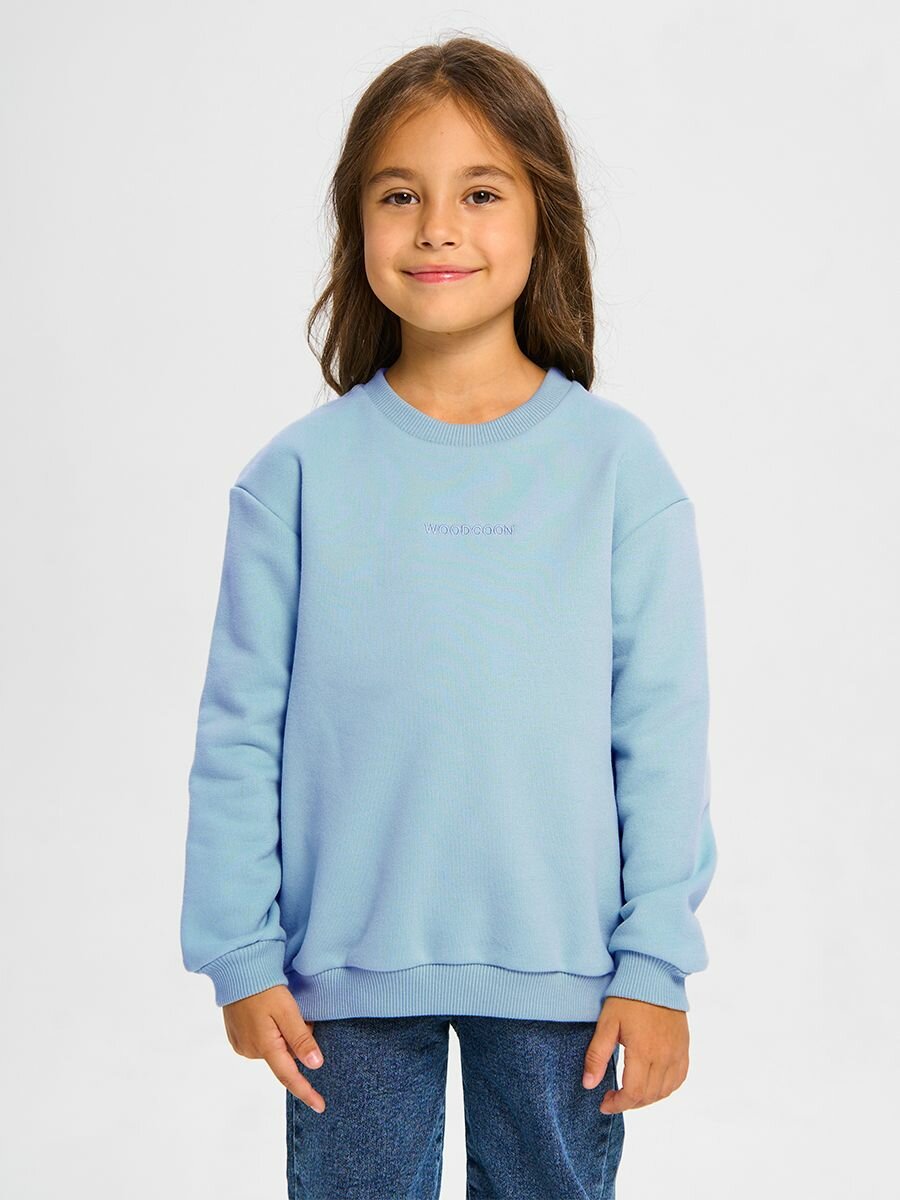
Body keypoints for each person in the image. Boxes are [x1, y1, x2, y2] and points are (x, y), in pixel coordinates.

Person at [179, 34, 717, 1200]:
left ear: (543, 218)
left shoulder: (618, 470)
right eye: (398, 195)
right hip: (341, 971)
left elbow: (663, 733)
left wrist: (656, 960)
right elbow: (238, 732)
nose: (436, 228)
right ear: (355, 221)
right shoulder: (295, 478)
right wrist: (239, 952)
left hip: (570, 969)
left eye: (480, 192)